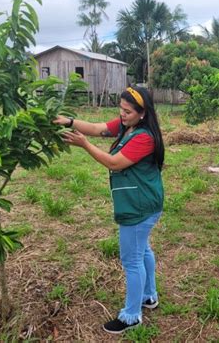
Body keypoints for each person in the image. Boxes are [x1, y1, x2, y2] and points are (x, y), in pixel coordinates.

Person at [54, 86, 164, 334]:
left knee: (132, 259)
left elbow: (114, 163)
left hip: (138, 207)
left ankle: (132, 315)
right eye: (121, 110)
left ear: (142, 113)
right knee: (143, 249)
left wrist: (85, 146)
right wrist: (69, 121)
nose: (122, 115)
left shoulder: (144, 137)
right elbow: (97, 128)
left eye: (127, 111)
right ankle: (149, 296)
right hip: (145, 202)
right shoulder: (128, 126)